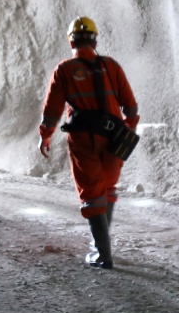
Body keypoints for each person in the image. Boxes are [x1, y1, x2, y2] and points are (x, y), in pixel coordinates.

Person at [37, 17, 139, 269]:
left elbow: (52, 110)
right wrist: (128, 130)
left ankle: (102, 253)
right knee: (107, 187)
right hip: (115, 135)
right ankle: (101, 246)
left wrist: (45, 134)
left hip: (84, 138)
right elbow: (131, 106)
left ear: (71, 40)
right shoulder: (111, 66)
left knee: (92, 192)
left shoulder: (65, 70)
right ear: (95, 39)